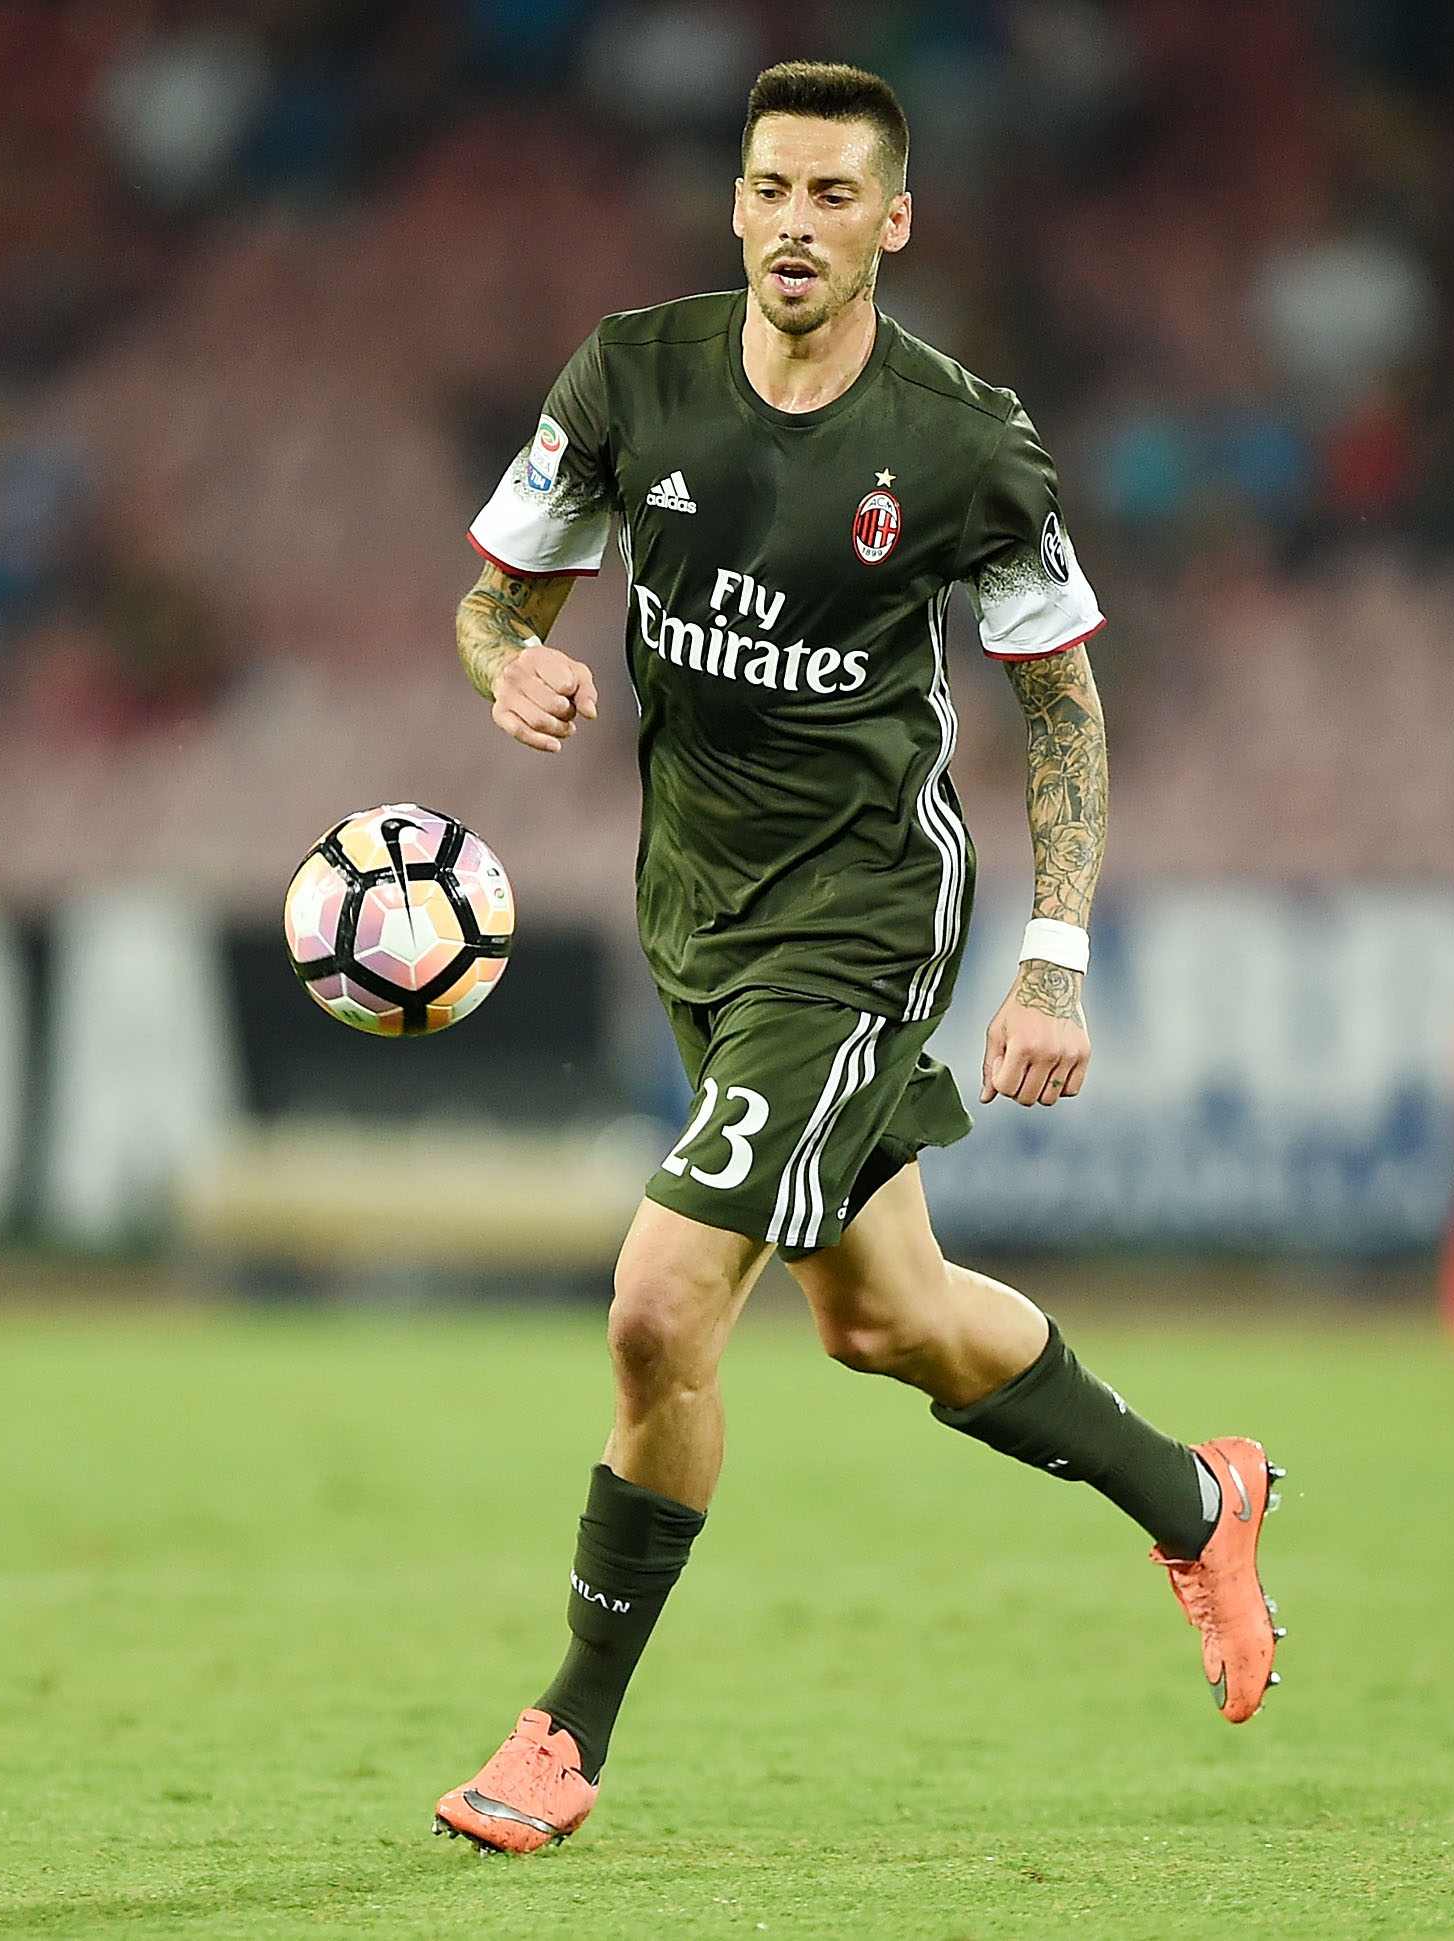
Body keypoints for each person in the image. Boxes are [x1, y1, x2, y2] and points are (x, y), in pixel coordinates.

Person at [431, 61, 1283, 1855]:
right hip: (701, 912)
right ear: (733, 206)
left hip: (866, 915)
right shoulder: (629, 379)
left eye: (836, 196)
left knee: (661, 1301)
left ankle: (562, 1731)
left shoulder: (964, 442)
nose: (796, 224)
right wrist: (505, 660)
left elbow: (1063, 702)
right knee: (883, 1315)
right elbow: (494, 591)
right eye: (771, 190)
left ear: (896, 222)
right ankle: (1194, 1493)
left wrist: (1051, 956)